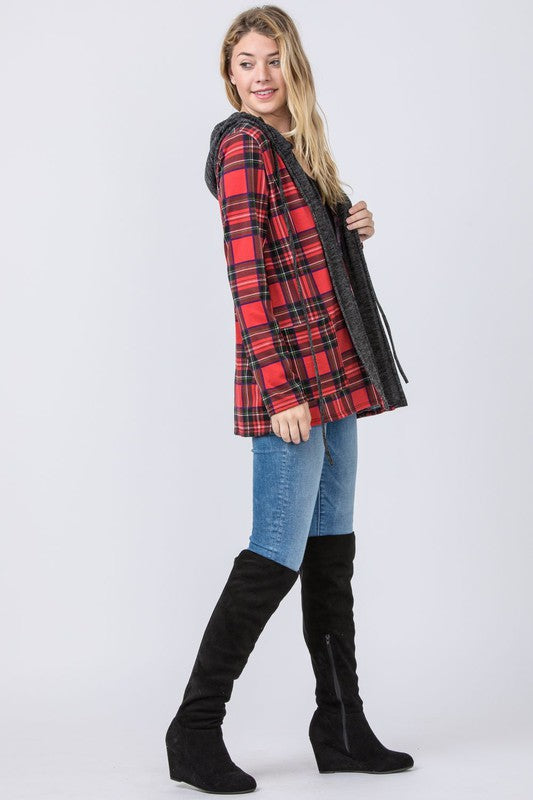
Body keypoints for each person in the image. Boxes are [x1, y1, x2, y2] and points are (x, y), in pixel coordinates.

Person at [165, 5, 414, 793]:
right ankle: (193, 730)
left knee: (330, 551)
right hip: (293, 383)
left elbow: (300, 253)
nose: (260, 76)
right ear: (228, 74)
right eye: (245, 63)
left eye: (271, 60)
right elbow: (248, 278)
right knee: (274, 551)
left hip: (334, 372)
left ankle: (339, 724)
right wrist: (278, 390)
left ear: (292, 66)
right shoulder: (243, 146)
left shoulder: (297, 144)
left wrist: (349, 224)